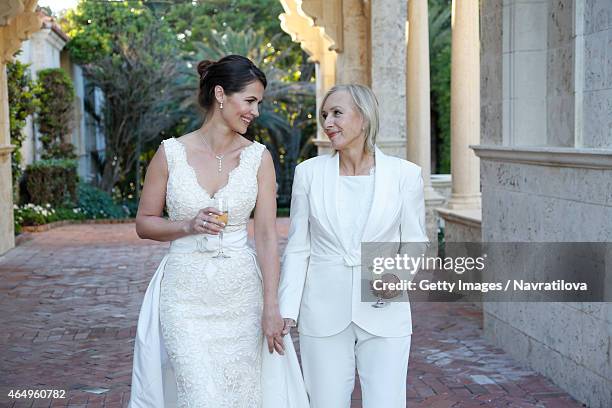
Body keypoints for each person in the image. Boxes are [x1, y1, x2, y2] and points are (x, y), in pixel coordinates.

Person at [129, 54, 308, 408]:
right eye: (250, 101)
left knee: (242, 395)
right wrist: (186, 225)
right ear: (221, 94)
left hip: (242, 295)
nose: (255, 112)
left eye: (259, 103)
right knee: (198, 395)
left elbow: (268, 236)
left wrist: (272, 306)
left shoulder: (259, 157)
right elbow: (144, 222)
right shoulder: (170, 153)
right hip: (183, 297)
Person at [279, 84, 429, 408]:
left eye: (337, 113)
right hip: (322, 309)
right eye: (324, 115)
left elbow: (415, 241)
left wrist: (398, 278)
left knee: (387, 403)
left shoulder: (405, 175)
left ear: (363, 117)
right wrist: (287, 308)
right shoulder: (308, 174)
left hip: (384, 307)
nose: (328, 122)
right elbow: (298, 247)